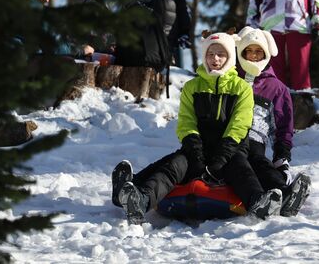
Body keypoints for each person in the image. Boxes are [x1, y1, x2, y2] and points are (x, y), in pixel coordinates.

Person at [111, 32, 283, 224]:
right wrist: (194, 151)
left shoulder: (241, 88)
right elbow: (186, 121)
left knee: (241, 169)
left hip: (231, 150)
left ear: (230, 58)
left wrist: (222, 156)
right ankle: (141, 201)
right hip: (198, 149)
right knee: (173, 166)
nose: (215, 59)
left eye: (221, 54)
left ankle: (257, 202)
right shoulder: (192, 87)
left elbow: (240, 124)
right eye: (210, 54)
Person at [235, 26, 311, 216]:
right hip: (231, 136)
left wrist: (281, 156)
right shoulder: (232, 79)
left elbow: (284, 125)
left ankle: (286, 194)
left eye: (258, 51)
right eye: (249, 51)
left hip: (255, 140)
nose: (253, 56)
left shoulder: (277, 88)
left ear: (266, 53)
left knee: (257, 161)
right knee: (239, 163)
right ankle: (261, 198)